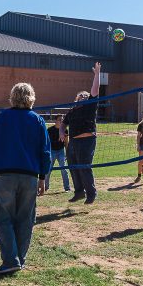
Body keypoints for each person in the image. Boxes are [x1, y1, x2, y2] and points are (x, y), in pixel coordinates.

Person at [0, 83, 51, 274]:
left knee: (2, 218)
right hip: (30, 176)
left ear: (12, 97)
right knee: (25, 219)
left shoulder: (4, 117)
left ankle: (11, 260)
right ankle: (19, 259)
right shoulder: (38, 120)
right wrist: (42, 178)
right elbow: (45, 152)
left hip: (6, 174)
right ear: (31, 97)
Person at [65, 62, 102, 204]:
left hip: (86, 141)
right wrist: (62, 131)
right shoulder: (73, 111)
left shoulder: (90, 106)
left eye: (85, 96)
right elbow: (63, 123)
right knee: (73, 167)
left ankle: (91, 194)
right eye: (81, 96)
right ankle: (79, 192)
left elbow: (94, 90)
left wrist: (97, 74)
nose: (83, 96)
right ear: (77, 99)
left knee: (84, 167)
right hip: (73, 142)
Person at [45, 115, 71, 192]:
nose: (61, 121)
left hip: (61, 151)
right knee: (48, 169)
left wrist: (67, 153)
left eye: (62, 120)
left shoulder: (65, 130)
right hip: (52, 151)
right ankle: (45, 186)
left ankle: (67, 188)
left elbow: (66, 143)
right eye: (60, 120)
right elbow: (46, 143)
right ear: (55, 121)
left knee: (64, 169)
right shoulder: (49, 130)